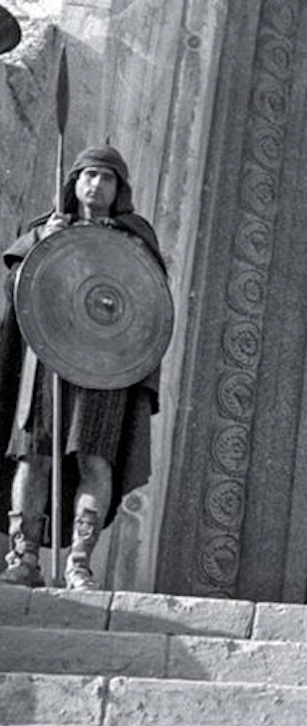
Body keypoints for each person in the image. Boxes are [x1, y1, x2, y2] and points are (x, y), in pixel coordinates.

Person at [0, 144, 166, 590]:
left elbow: (149, 303)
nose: (97, 185)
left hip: (102, 368)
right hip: (46, 363)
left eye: (107, 178)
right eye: (89, 175)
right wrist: (46, 248)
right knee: (32, 457)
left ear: (120, 189)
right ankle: (24, 556)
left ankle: (78, 563)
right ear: (74, 183)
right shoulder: (46, 229)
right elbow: (17, 290)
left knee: (96, 461)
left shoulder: (133, 239)